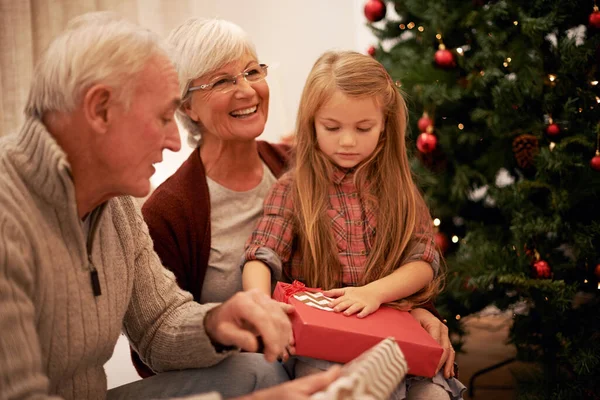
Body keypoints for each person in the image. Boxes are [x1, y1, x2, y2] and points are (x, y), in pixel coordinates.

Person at [0, 12, 342, 400]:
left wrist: (216, 322)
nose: (175, 142)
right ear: (100, 110)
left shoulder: (117, 205)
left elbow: (159, 324)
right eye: (164, 118)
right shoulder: (8, 216)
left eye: (251, 72)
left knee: (253, 372)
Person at [133, 17, 459, 382]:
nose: (246, 90)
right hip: (254, 375)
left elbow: (389, 250)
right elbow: (158, 347)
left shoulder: (308, 164)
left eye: (252, 71)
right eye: (223, 81)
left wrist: (417, 311)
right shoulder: (169, 212)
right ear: (187, 106)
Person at [242, 50, 466, 400]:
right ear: (311, 122)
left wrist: (373, 293)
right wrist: (260, 303)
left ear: (385, 126)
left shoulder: (399, 189)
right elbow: (262, 253)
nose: (347, 141)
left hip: (396, 331)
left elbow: (423, 262)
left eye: (364, 128)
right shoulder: (293, 188)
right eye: (332, 127)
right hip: (325, 344)